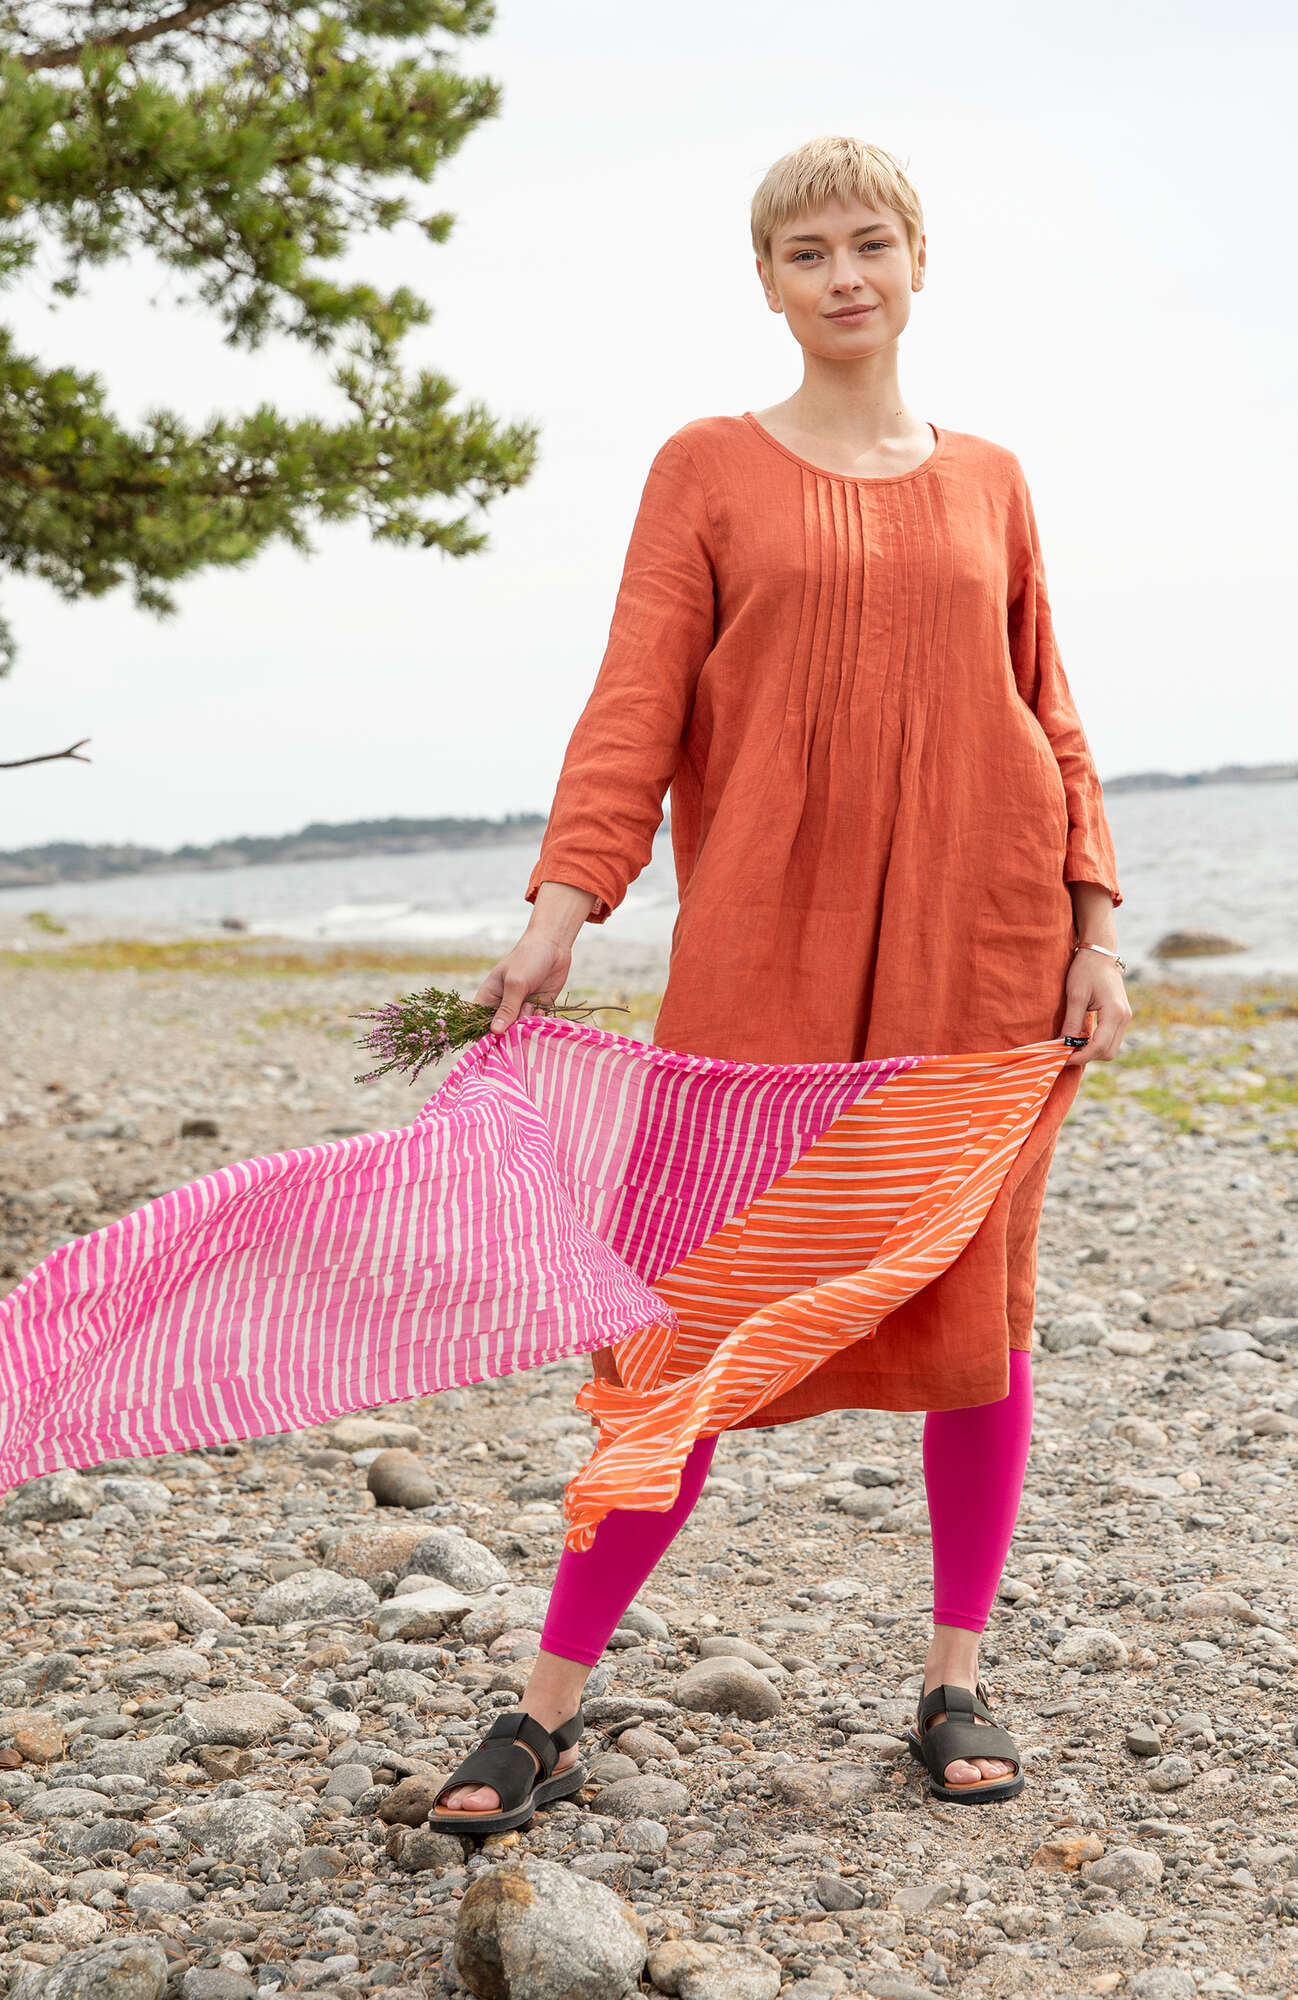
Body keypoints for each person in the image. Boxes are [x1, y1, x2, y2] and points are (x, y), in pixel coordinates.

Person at [428, 133, 1130, 1828]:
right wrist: (563, 905)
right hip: (766, 951)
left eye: (868, 243)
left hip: (985, 944)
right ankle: (542, 1705)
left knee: (978, 1317)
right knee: (681, 1323)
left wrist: (1095, 922)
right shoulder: (705, 467)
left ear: (917, 261)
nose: (842, 276)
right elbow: (634, 700)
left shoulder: (991, 479)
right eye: (806, 252)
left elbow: (1047, 706)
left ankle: (953, 1678)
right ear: (765, 282)